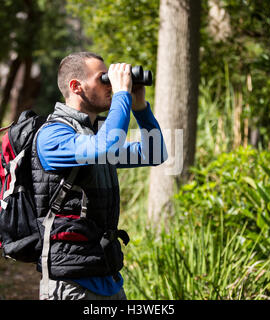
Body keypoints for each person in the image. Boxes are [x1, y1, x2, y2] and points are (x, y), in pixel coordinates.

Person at [32, 51, 168, 300]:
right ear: (76, 87)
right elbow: (105, 147)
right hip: (71, 282)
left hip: (108, 274)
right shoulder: (52, 136)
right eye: (103, 78)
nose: (111, 84)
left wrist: (140, 108)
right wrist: (122, 95)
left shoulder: (93, 138)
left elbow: (155, 153)